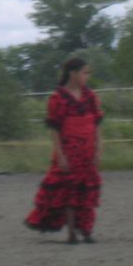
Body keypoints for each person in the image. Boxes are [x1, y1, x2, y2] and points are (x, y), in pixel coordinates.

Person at [24, 57, 103, 243]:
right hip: (69, 150)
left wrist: (98, 147)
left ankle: (86, 230)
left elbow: (97, 123)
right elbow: (55, 129)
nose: (87, 76)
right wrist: (60, 154)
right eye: (84, 72)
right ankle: (72, 233)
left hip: (87, 151)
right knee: (67, 192)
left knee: (86, 192)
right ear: (72, 73)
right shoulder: (57, 99)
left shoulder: (90, 97)